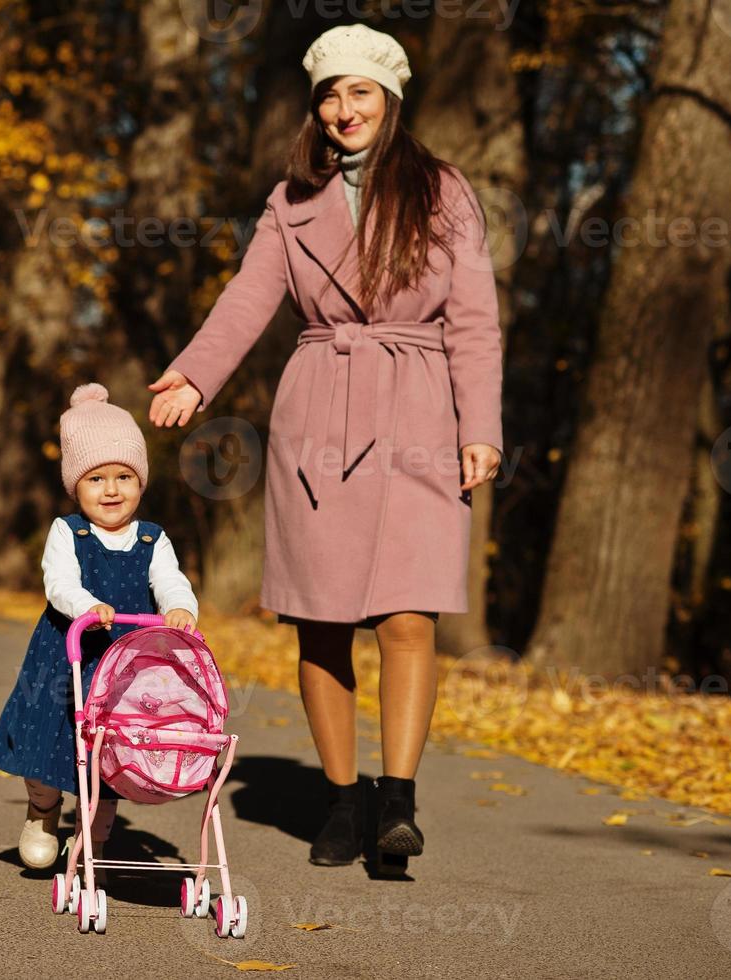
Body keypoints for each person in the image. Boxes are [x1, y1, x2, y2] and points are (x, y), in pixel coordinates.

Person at [147, 23, 505, 873]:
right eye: (331, 94)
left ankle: (398, 803)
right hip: (319, 413)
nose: (343, 110)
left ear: (389, 100)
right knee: (320, 623)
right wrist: (196, 377)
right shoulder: (290, 200)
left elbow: (475, 319)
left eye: (360, 93)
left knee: (410, 614)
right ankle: (342, 803)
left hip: (420, 409)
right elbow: (247, 299)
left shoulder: (444, 191)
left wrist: (480, 426)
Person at [0, 383, 200, 870]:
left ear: (140, 483)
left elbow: (171, 580)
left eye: (124, 476)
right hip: (68, 653)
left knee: (114, 748)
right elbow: (58, 582)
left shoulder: (152, 538)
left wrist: (180, 607)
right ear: (75, 485)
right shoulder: (68, 532)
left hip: (127, 661)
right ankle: (42, 810)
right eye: (96, 478)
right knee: (45, 742)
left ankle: (93, 837)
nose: (111, 489)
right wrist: (86, 604)